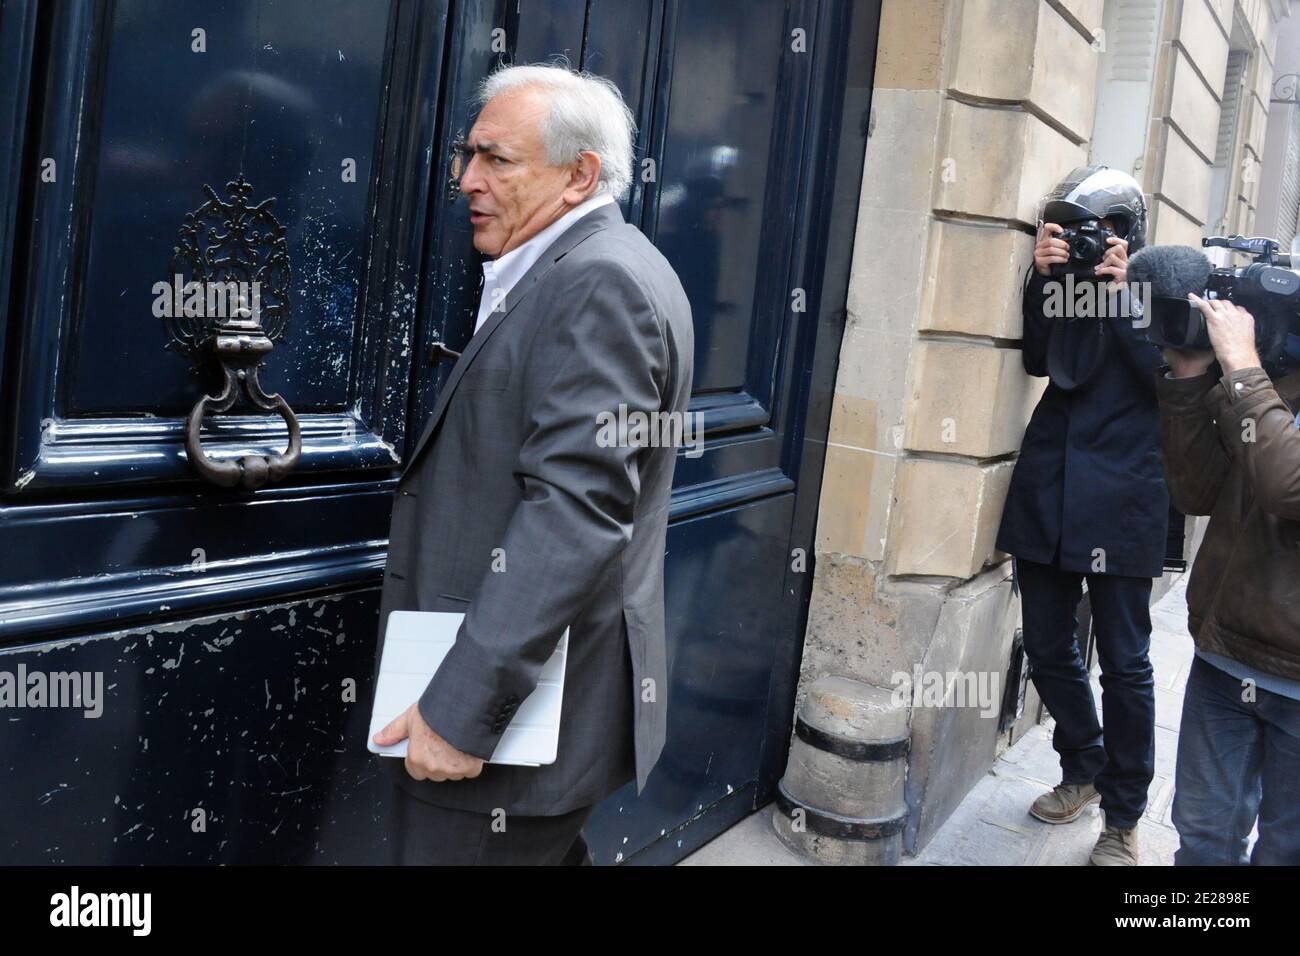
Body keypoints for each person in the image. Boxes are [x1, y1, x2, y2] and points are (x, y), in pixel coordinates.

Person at [370, 63, 694, 865]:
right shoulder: (597, 263)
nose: (465, 180)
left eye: (496, 159)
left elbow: (574, 514)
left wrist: (460, 711)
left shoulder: (599, 283)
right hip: (542, 702)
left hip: (514, 721)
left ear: (579, 175)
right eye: (467, 156)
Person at [996, 166, 1165, 865]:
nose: (1095, 243)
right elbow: (1040, 361)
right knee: (1044, 643)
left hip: (1124, 496)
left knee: (1125, 664)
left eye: (1105, 230)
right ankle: (1085, 764)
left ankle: (1123, 817)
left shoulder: (1161, 292)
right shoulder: (1063, 284)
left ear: (1131, 233)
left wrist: (1126, 298)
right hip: (1052, 485)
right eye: (1076, 230)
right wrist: (1042, 281)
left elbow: (1166, 379)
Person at [1158, 293, 1300, 865]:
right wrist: (1192, 378)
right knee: (1202, 836)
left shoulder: (1259, 382)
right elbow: (1196, 493)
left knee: (1285, 851)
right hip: (1226, 657)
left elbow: (1285, 485)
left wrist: (1242, 365)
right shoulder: (1280, 383)